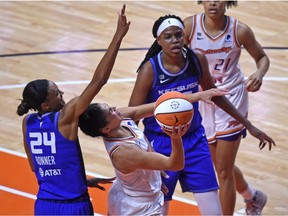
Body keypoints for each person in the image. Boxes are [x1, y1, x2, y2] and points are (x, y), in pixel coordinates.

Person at [128, 14, 275, 216]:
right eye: (168, 37)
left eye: (178, 35)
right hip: (160, 145)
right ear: (159, 41)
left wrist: (248, 125)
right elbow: (131, 118)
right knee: (159, 211)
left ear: (184, 36)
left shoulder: (197, 59)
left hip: (195, 141)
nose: (175, 40)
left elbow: (214, 95)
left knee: (214, 212)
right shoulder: (149, 70)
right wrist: (139, 157)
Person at [16, 5, 130, 215]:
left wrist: (77, 179)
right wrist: (118, 37)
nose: (62, 95)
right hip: (73, 206)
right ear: (45, 105)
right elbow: (99, 80)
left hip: (44, 205)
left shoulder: (28, 123)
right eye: (57, 93)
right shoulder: (64, 117)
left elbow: (36, 166)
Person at [183, 1, 274, 215]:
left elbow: (262, 57)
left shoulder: (239, 30)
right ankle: (253, 196)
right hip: (204, 97)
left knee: (223, 170)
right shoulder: (189, 27)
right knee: (220, 166)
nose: (213, 2)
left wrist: (259, 74)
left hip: (231, 98)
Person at [78, 88, 229, 215]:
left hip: (130, 193)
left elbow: (161, 106)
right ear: (106, 129)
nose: (115, 108)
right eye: (110, 111)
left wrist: (198, 96)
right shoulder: (124, 153)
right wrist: (176, 138)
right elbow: (175, 164)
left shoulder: (121, 118)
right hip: (137, 208)